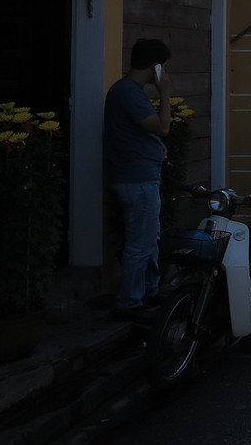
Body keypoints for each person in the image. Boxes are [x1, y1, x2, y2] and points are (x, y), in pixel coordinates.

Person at [104, 38, 171, 321]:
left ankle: (149, 289)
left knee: (149, 238)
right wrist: (165, 93)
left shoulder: (126, 92)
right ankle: (129, 302)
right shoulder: (129, 93)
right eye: (163, 67)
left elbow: (142, 132)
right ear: (155, 67)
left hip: (140, 175)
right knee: (140, 243)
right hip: (138, 180)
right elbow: (163, 127)